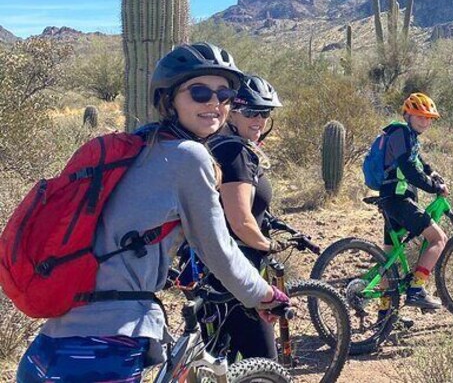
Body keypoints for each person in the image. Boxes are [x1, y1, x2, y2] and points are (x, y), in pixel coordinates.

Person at [16, 43, 288, 383]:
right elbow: (218, 250)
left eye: (225, 94)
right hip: (104, 350)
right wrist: (266, 295)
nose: (215, 104)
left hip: (49, 347)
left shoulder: (138, 148)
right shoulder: (189, 156)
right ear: (169, 98)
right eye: (200, 92)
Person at [207, 73, 284, 361]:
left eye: (265, 112)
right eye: (251, 111)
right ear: (232, 112)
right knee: (265, 364)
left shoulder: (219, 143)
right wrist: (268, 245)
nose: (259, 120)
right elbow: (240, 221)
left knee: (221, 361)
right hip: (238, 272)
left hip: (214, 269)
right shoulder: (235, 152)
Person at [377, 92, 449, 316]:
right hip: (398, 201)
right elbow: (409, 170)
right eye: (419, 116)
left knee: (389, 259)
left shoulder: (408, 137)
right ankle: (417, 289)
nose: (424, 121)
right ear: (407, 114)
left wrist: (433, 173)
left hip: (392, 200)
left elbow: (418, 162)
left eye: (428, 118)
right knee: (438, 238)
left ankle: (385, 315)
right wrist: (434, 187)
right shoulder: (400, 133)